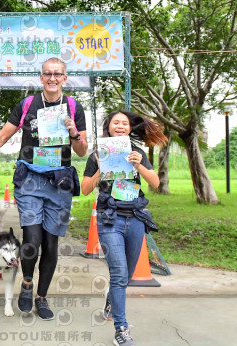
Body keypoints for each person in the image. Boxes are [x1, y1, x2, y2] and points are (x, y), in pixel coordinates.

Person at [0, 57, 87, 320]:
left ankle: (41, 297)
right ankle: (26, 283)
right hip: (30, 180)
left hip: (59, 182)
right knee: (32, 240)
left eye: (58, 74)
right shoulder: (27, 104)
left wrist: (73, 132)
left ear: (65, 78)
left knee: (51, 244)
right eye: (48, 74)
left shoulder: (73, 107)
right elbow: (3, 135)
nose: (53, 78)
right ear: (41, 77)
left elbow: (82, 150)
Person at [81, 110, 167, 346]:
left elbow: (155, 183)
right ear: (108, 127)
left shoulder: (137, 153)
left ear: (129, 128)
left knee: (126, 276)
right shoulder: (97, 154)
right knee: (119, 275)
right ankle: (121, 329)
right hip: (110, 220)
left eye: (124, 123)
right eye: (115, 122)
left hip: (136, 219)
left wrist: (139, 165)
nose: (120, 126)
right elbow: (85, 189)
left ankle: (111, 297)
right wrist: (101, 168)